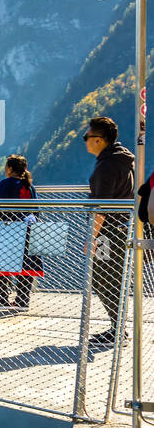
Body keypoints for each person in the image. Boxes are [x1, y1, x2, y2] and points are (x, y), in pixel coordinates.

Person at [84, 116, 135, 345]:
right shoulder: (122, 159)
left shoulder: (106, 165)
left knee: (102, 278)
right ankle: (117, 327)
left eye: (87, 137)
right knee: (111, 278)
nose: (85, 141)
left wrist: (91, 238)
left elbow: (101, 207)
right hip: (122, 227)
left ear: (99, 140)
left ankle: (118, 329)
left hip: (108, 232)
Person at [0, 155, 41, 310]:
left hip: (8, 231)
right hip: (29, 230)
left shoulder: (4, 185)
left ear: (9, 169)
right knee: (26, 266)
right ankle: (22, 300)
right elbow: (36, 211)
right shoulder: (29, 186)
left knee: (0, 263)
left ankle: (0, 298)